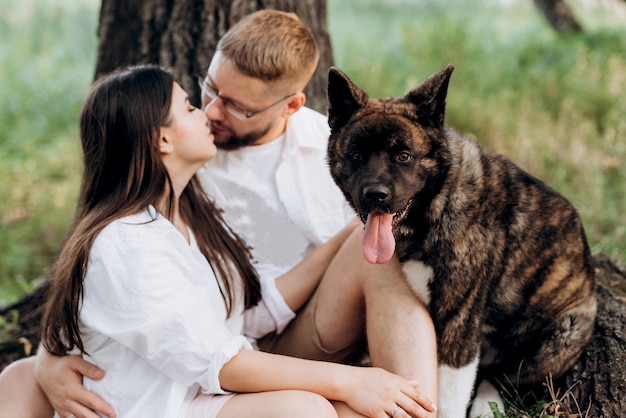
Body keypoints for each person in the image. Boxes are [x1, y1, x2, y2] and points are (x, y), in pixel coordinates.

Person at [1, 10, 439, 418]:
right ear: (163, 142)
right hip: (206, 381)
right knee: (313, 410)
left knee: (378, 266)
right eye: (203, 94)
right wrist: (48, 356)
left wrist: (355, 232)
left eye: (237, 107)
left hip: (269, 346)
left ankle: (420, 406)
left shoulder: (338, 153)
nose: (211, 113)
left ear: (289, 106)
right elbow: (122, 304)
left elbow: (243, 313)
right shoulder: (146, 223)